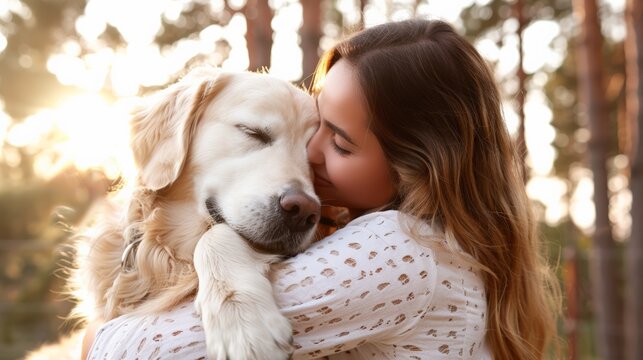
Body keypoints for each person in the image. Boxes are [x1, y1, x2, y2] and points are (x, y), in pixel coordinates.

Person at [84, 19, 559, 359]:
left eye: (340, 143)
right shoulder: (415, 244)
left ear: (418, 168)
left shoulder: (399, 248)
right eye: (259, 134)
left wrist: (92, 339)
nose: (306, 160)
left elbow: (129, 350)